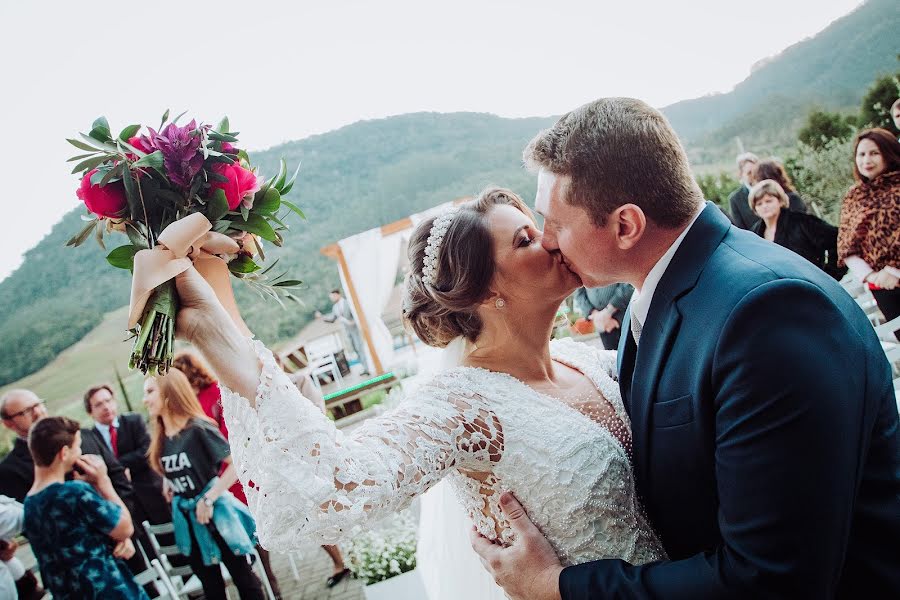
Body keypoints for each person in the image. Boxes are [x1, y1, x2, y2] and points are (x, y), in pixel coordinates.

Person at [467, 97, 899, 599]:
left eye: (555, 222)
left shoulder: (767, 313)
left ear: (626, 225)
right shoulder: (651, 300)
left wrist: (556, 586)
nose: (546, 242)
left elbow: (771, 580)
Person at [172, 187, 665, 597]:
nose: (553, 241)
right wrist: (221, 328)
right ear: (483, 292)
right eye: (526, 239)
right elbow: (338, 482)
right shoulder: (461, 408)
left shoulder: (589, 361)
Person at [173, 351, 294, 596]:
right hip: (215, 478)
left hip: (235, 468)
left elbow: (232, 432)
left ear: (191, 373)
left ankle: (270, 584)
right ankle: (255, 580)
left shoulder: (215, 393)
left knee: (252, 529)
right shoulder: (189, 405)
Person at [144, 368, 265, 600]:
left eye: (150, 391)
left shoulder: (198, 428)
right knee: (211, 587)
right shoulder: (161, 436)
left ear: (169, 391)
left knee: (244, 579)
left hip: (216, 517)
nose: (145, 399)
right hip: (187, 520)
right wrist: (170, 481)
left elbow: (236, 465)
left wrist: (209, 498)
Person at [23, 416, 146, 599]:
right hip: (106, 591)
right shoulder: (73, 492)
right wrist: (103, 483)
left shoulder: (29, 504)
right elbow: (124, 528)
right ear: (64, 453)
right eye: (77, 446)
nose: (80, 451)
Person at [837, 127, 900, 338]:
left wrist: (894, 271)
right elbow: (846, 244)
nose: (867, 160)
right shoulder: (854, 196)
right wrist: (872, 275)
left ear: (889, 153)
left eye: (874, 153)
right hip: (882, 288)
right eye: (861, 154)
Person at [83, 385, 170, 528]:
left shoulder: (133, 421)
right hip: (123, 504)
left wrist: (115, 467)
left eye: (108, 400)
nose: (106, 407)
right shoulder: (90, 438)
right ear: (90, 411)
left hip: (152, 493)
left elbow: (146, 451)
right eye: (99, 404)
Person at [748, 179, 845, 279]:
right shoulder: (754, 236)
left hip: (813, 284)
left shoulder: (801, 221)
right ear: (754, 208)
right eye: (759, 204)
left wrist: (830, 276)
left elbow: (838, 240)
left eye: (769, 201)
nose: (764, 206)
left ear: (780, 201)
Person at [316, 289, 369, 375]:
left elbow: (357, 314)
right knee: (355, 349)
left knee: (360, 348)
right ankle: (365, 367)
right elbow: (332, 319)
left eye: (333, 296)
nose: (332, 299)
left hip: (355, 329)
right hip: (347, 332)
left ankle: (368, 367)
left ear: (338, 294)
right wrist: (322, 317)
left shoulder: (348, 302)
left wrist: (353, 321)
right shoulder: (335, 308)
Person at [572, 284, 633, 349]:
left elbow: (628, 285)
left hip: (625, 316)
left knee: (632, 353)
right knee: (610, 356)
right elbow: (578, 292)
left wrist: (608, 311)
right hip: (601, 322)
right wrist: (594, 314)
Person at [726, 151, 759, 229]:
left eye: (756, 171)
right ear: (741, 174)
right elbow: (740, 228)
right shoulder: (735, 199)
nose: (754, 175)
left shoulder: (770, 188)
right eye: (749, 173)